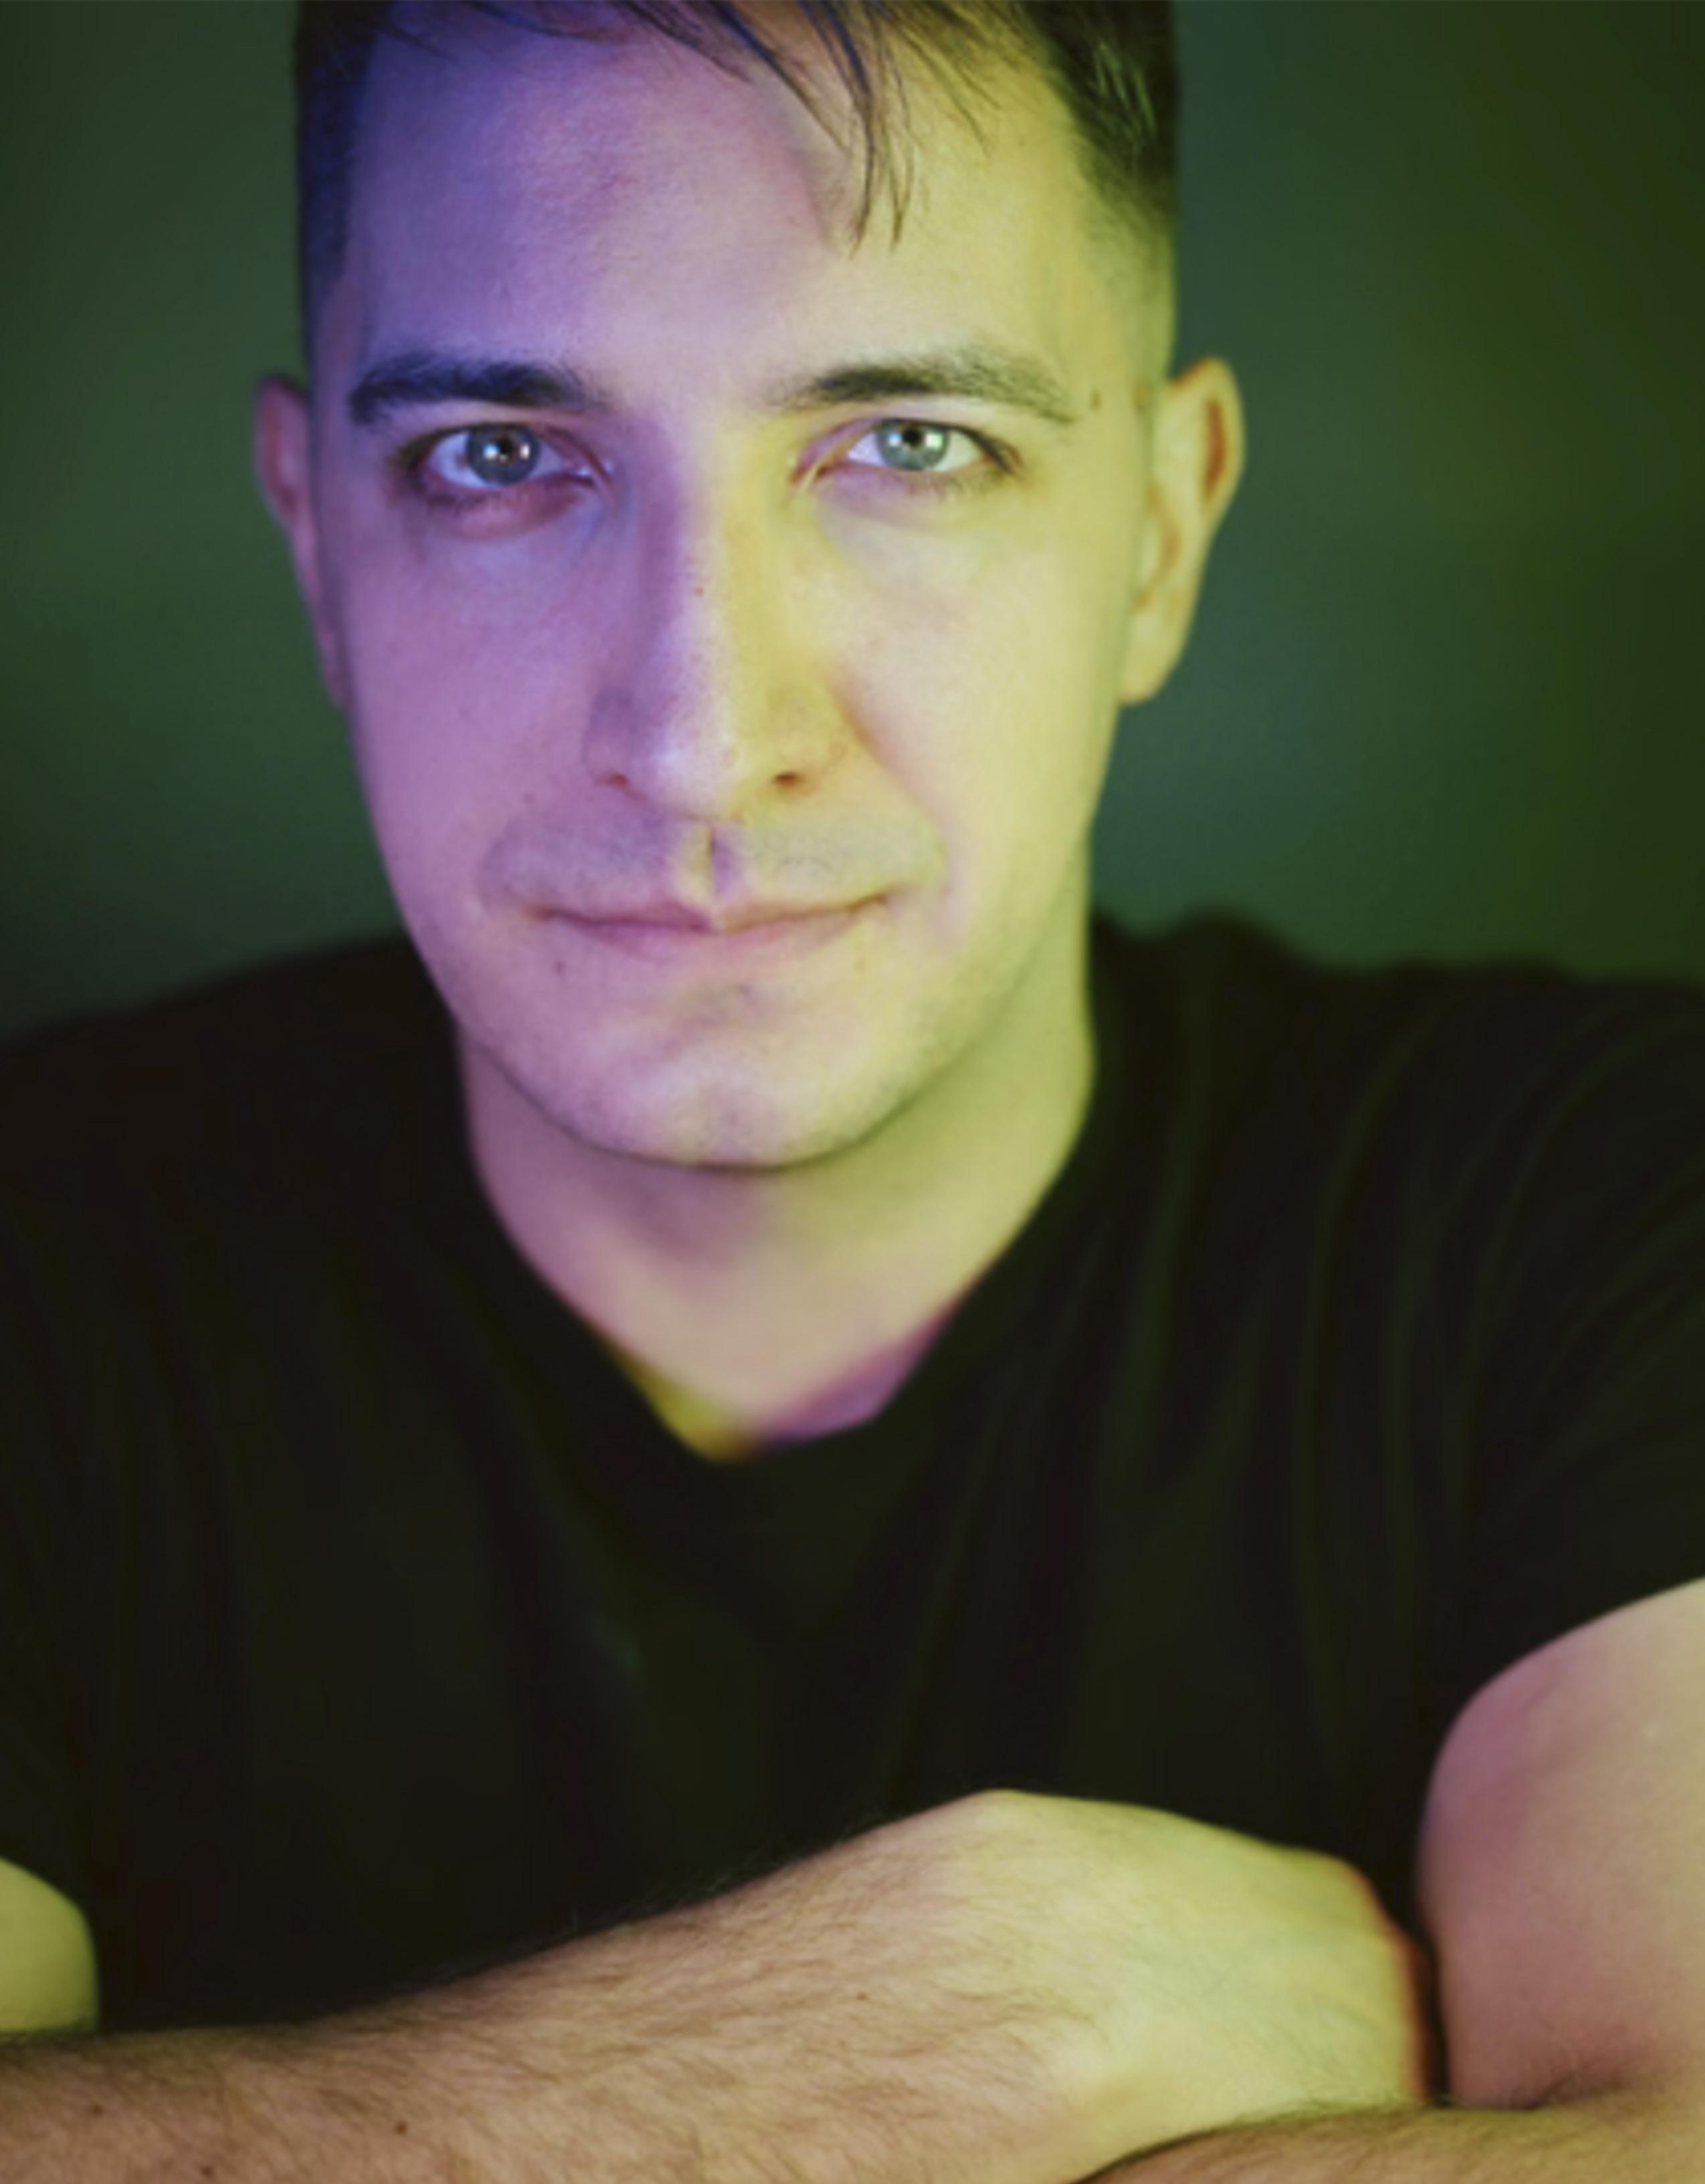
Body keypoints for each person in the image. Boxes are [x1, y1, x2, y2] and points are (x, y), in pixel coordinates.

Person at [2, 1, 1704, 2175]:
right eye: (502, 458)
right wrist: (927, 2044)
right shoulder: (33, 1257)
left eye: (907, 443)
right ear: (317, 539)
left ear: (1162, 533)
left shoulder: (1603, 1210)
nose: (706, 735)